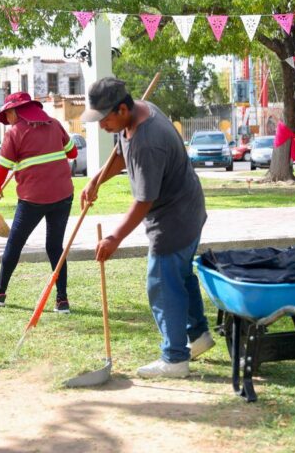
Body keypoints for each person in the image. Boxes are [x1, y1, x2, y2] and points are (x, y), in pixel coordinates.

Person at [80, 77, 214, 379]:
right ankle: (198, 337)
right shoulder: (140, 111)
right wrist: (96, 180)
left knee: (162, 284)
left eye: (104, 120)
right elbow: (119, 152)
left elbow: (143, 200)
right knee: (179, 277)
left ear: (124, 109)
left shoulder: (148, 142)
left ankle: (175, 359)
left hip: (175, 219)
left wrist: (114, 238)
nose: (101, 126)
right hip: (189, 209)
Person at [0, 92, 78, 313]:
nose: (9, 119)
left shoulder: (14, 133)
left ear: (17, 111)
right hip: (63, 196)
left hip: (33, 199)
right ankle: (62, 301)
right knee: (55, 247)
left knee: (15, 244)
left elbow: (1, 169)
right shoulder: (55, 124)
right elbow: (71, 153)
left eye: (9, 114)